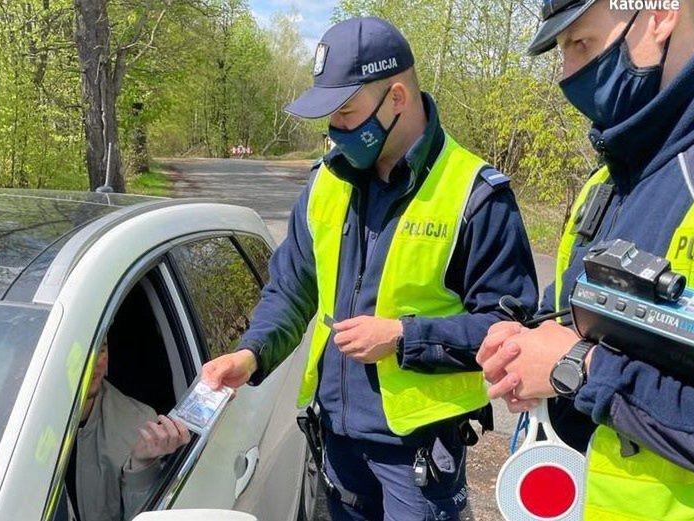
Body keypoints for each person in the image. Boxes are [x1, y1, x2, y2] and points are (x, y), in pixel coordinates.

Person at [202, 17, 538, 521]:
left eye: (347, 114)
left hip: (419, 456)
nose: (335, 131)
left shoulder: (477, 194)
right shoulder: (325, 184)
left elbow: (510, 329)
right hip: (335, 442)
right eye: (330, 118)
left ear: (397, 98)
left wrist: (403, 337)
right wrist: (251, 354)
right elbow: (292, 289)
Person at [477, 1, 694, 519]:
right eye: (561, 52)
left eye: (581, 44)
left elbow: (581, 359)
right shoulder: (606, 183)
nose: (567, 75)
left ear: (660, 14)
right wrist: (524, 342)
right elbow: (570, 320)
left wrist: (575, 367)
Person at [60, 338, 191, 521]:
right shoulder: (23, 427)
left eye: (101, 349)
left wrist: (141, 465)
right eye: (80, 353)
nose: (94, 362)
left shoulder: (139, 425)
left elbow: (144, 515)